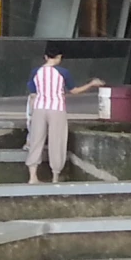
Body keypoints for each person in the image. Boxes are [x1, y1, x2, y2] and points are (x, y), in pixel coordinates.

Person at [26, 44, 102, 186]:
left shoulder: (35, 72)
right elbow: (74, 91)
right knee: (57, 141)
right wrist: (91, 84)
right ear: (59, 57)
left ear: (46, 57)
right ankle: (55, 177)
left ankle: (32, 177)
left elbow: (33, 94)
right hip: (57, 109)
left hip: (39, 108)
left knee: (36, 141)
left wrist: (31, 113)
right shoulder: (63, 72)